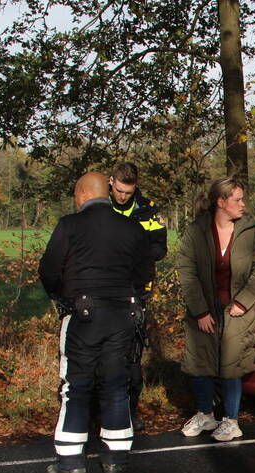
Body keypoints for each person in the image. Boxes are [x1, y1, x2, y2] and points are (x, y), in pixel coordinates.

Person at [38, 172, 152, 473]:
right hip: (122, 316)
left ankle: (70, 462)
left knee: (76, 385)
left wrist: (63, 298)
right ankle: (115, 458)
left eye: (76, 196)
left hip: (83, 315)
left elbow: (49, 270)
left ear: (83, 195)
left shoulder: (70, 225)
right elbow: (145, 273)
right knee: (116, 384)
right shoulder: (132, 228)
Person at [175, 176, 255, 441]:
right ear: (221, 201)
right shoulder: (196, 231)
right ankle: (205, 414)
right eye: (237, 199)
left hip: (237, 309)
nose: (243, 204)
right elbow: (187, 271)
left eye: (242, 199)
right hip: (204, 307)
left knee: (232, 365)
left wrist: (243, 301)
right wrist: (200, 311)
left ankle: (231, 420)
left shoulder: (249, 230)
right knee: (200, 362)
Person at [109, 161, 167, 430]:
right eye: (119, 191)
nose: (123, 197)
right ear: (111, 182)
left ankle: (130, 412)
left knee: (132, 355)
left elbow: (160, 249)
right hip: (105, 291)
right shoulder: (100, 206)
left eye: (128, 193)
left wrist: (135, 253)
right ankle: (100, 412)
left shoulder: (148, 211)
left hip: (136, 292)